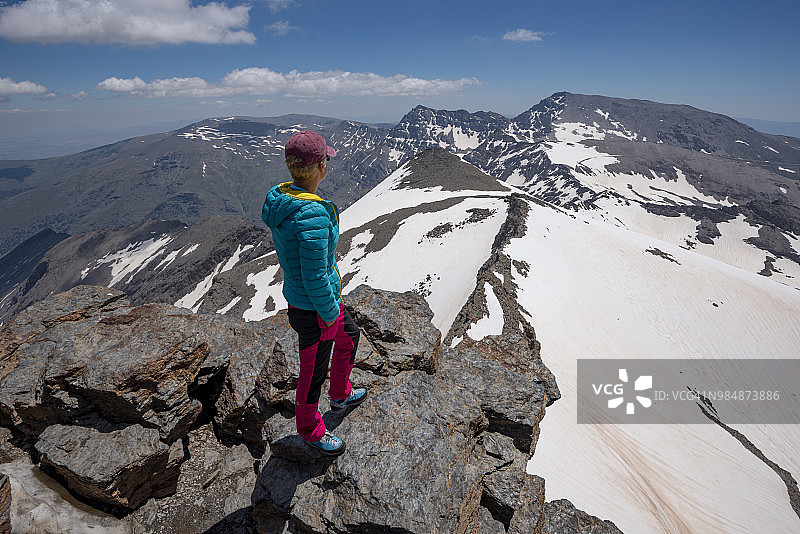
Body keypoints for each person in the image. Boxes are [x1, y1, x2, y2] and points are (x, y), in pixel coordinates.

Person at [261, 130, 366, 456]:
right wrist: (330, 313)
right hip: (314, 308)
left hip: (308, 300)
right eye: (326, 160)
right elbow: (315, 274)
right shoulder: (312, 216)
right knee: (312, 372)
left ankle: (339, 394)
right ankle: (309, 429)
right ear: (320, 167)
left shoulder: (283, 198)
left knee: (350, 336)